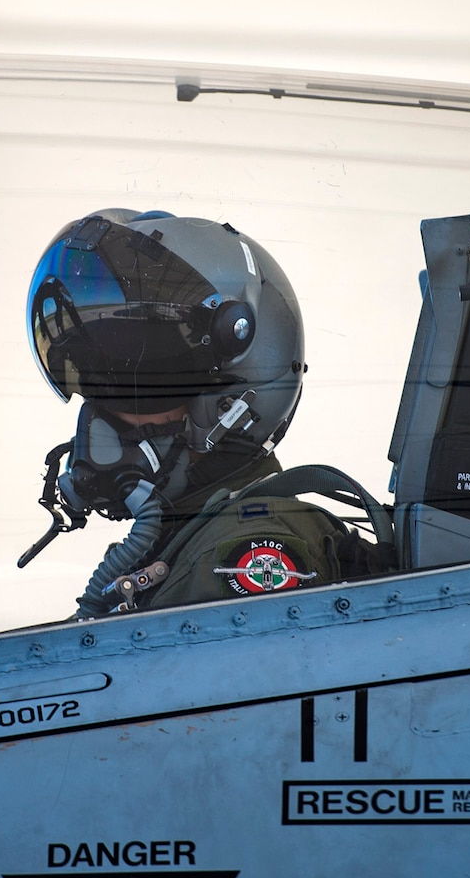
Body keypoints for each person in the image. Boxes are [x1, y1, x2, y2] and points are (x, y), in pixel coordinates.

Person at [20, 209, 393, 618]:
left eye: (138, 390)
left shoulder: (242, 550)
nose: (100, 422)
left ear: (230, 408)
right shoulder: (182, 544)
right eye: (97, 389)